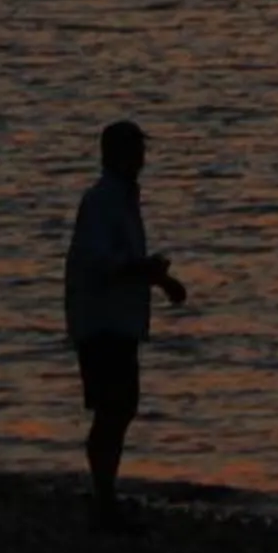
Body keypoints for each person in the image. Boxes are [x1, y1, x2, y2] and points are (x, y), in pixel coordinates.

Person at [64, 119, 187, 532]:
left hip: (116, 322)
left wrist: (162, 280)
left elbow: (120, 262)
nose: (143, 159)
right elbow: (102, 263)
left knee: (119, 408)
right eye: (136, 151)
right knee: (113, 410)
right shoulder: (103, 201)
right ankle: (103, 499)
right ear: (118, 156)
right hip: (102, 322)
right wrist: (148, 271)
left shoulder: (121, 200)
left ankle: (105, 496)